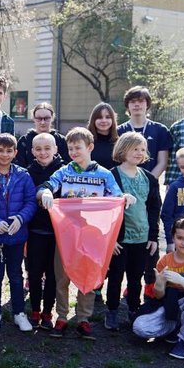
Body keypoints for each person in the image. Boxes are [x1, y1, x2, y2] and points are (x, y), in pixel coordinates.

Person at [39, 127, 132, 340]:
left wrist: (125, 197)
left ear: (89, 147)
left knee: (88, 276)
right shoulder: (64, 171)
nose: (73, 152)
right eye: (70, 148)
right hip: (66, 234)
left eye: (77, 148)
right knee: (62, 277)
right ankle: (61, 317)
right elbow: (49, 184)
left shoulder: (104, 175)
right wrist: (44, 191)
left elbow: (115, 197)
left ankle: (83, 319)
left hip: (92, 235)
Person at [132, 216, 184, 359]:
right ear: (173, 238)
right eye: (180, 238)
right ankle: (174, 328)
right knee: (139, 328)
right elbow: (158, 296)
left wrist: (183, 281)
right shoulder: (165, 260)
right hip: (169, 304)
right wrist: (159, 284)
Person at [0, 133, 37, 333]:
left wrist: (21, 219)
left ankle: (19, 313)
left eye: (9, 151)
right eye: (0, 150)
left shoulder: (23, 175)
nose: (4, 155)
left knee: (16, 274)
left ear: (15, 152)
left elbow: (31, 201)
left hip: (16, 235)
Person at [105, 132, 161, 330]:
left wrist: (153, 236)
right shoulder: (111, 176)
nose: (139, 153)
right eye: (134, 148)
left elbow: (154, 209)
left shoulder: (149, 179)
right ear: (122, 150)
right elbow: (105, 210)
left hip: (142, 238)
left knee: (135, 277)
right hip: (120, 240)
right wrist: (110, 239)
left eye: (142, 149)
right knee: (115, 276)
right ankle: (111, 311)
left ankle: (133, 310)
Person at [25, 133, 65, 330]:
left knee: (53, 274)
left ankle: (48, 311)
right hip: (35, 231)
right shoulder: (27, 172)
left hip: (58, 233)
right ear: (33, 151)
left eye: (47, 148)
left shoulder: (65, 171)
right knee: (33, 272)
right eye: (38, 149)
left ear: (56, 149)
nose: (43, 152)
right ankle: (34, 310)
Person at [117, 86, 173, 179]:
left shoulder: (160, 129)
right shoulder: (119, 131)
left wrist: (148, 181)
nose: (137, 104)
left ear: (147, 104)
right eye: (133, 102)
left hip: (151, 183)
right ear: (127, 105)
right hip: (124, 183)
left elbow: (162, 162)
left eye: (141, 101)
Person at [15, 102, 68, 167]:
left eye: (46, 118)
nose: (42, 122)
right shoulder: (24, 141)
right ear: (33, 118)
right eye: (39, 119)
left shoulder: (61, 140)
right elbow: (19, 165)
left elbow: (67, 163)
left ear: (52, 118)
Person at [87, 102, 119, 169]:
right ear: (93, 120)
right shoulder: (86, 141)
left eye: (108, 117)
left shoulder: (119, 141)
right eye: (99, 117)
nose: (104, 120)